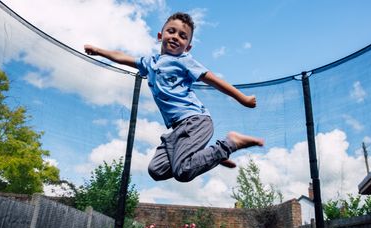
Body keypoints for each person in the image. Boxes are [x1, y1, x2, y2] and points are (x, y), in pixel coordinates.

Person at [84, 12, 264, 182]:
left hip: (194, 121)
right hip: (178, 129)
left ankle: (231, 143)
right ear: (160, 35)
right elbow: (123, 56)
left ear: (188, 47)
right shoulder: (150, 62)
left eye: (183, 36)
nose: (176, 36)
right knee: (156, 170)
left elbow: (214, 80)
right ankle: (205, 154)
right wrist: (99, 51)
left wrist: (243, 98)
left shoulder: (184, 61)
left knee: (183, 171)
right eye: (171, 31)